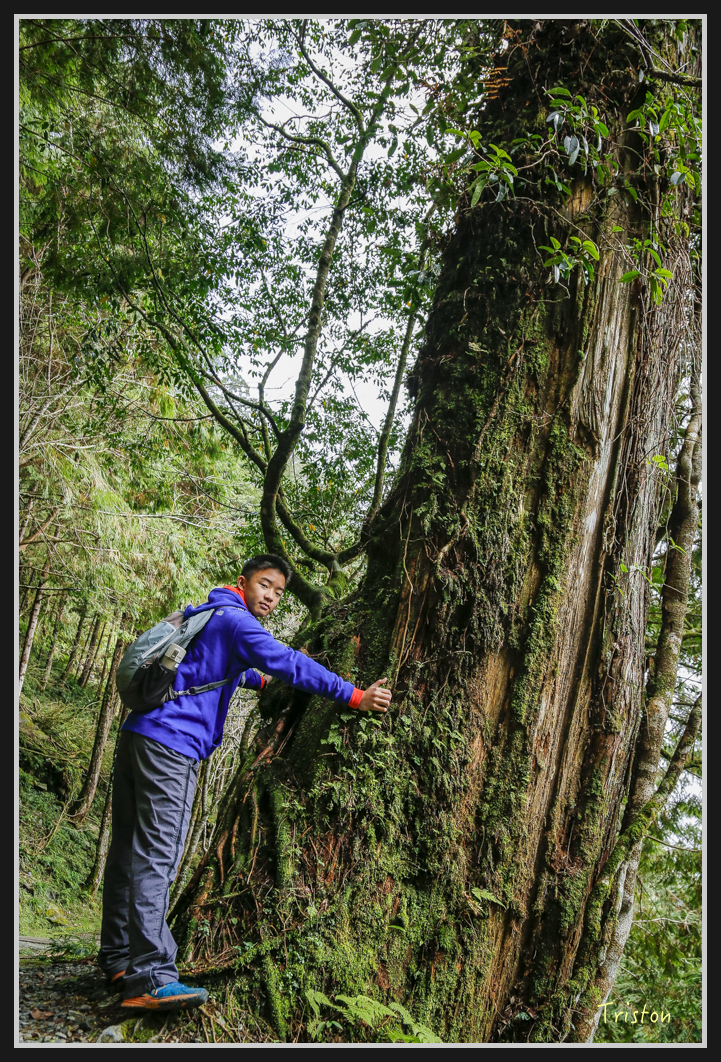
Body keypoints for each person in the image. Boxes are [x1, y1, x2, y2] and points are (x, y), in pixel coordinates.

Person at [98, 554, 391, 1011]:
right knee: (158, 856)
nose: (271, 597)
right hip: (172, 747)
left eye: (278, 591)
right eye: (265, 585)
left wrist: (260, 681)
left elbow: (223, 669)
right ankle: (150, 977)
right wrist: (354, 695)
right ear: (244, 582)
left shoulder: (209, 613)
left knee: (126, 850)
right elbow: (291, 663)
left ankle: (119, 958)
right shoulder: (239, 623)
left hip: (139, 736)